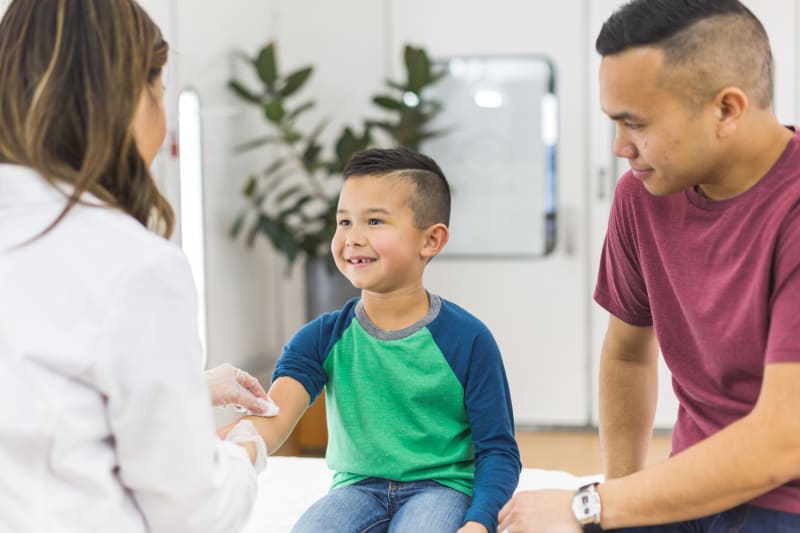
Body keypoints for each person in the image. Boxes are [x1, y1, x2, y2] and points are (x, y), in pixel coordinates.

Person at [498, 0, 800, 531]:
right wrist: (617, 496)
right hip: (693, 485)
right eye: (613, 122)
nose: (619, 147)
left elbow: (781, 441)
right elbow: (628, 355)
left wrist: (590, 507)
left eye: (634, 123)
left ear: (727, 110)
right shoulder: (643, 196)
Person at [0, 1, 273, 531]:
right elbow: (194, 513)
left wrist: (187, 389)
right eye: (161, 87)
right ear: (132, 95)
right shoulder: (135, 266)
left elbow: (40, 401)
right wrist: (244, 452)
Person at [231, 147, 521, 532]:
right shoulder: (320, 338)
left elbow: (498, 451)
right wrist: (227, 449)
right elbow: (272, 420)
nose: (353, 238)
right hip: (357, 489)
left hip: (441, 489)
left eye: (375, 221)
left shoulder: (469, 339)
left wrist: (479, 522)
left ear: (431, 240)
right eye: (345, 221)